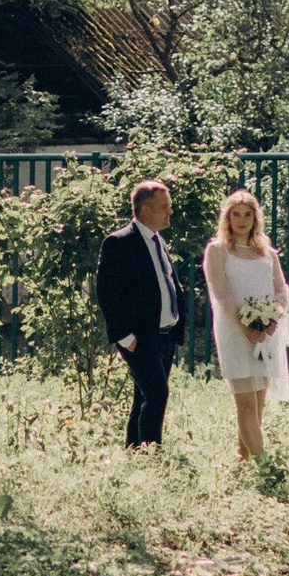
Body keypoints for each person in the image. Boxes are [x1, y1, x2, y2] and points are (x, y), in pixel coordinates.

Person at [203, 185, 289, 463]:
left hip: (265, 332)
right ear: (227, 218)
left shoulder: (266, 251)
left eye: (247, 214)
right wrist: (245, 325)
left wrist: (271, 318)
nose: (241, 220)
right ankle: (264, 465)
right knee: (244, 400)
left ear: (256, 218)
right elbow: (221, 294)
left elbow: (281, 289)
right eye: (236, 214)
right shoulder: (217, 250)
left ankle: (243, 457)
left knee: (258, 400)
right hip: (234, 330)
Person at [95, 176, 187, 449]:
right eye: (165, 206)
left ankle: (134, 451)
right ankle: (151, 455)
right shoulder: (119, 242)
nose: (170, 211)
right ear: (146, 210)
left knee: (144, 396)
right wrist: (124, 336)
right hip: (140, 337)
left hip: (165, 336)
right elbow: (107, 292)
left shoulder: (158, 241)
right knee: (158, 395)